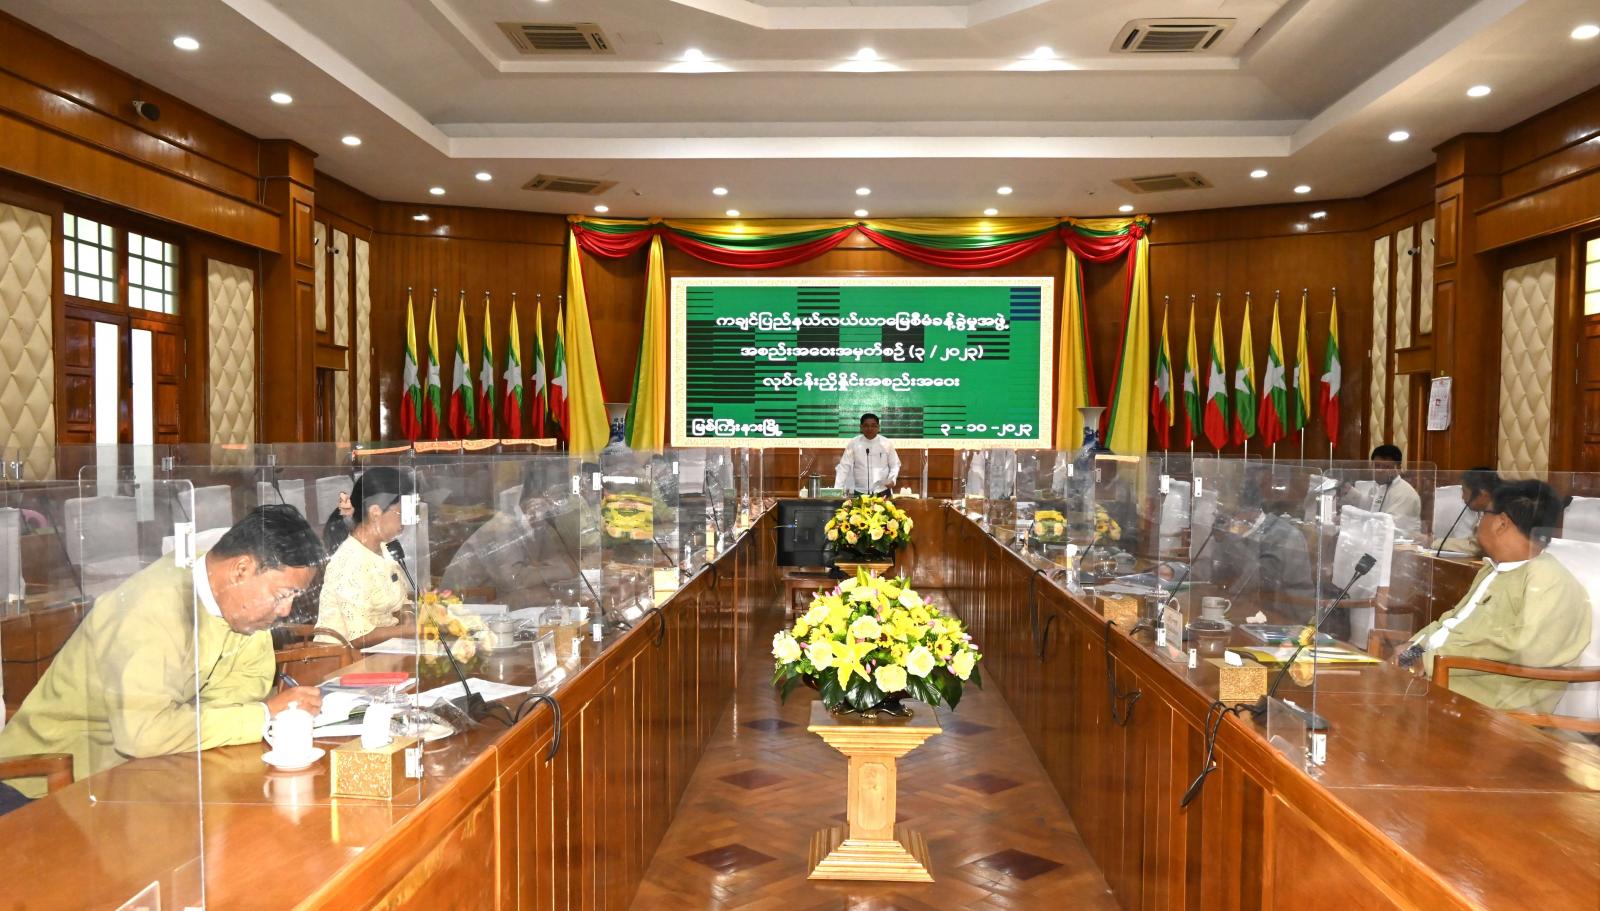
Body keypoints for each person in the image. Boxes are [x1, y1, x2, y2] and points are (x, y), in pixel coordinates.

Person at [0, 505, 325, 813]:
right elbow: (144, 734)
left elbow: (243, 693)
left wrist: (205, 720)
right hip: (44, 786)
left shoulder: (241, 608)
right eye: (282, 595)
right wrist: (261, 715)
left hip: (139, 777)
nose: (286, 610)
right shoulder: (152, 608)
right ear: (241, 570)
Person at [1401, 480, 1591, 714]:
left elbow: (1524, 649)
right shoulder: (1493, 569)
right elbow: (1452, 622)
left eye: (1483, 515)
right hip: (1437, 686)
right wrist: (1415, 648)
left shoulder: (1547, 580)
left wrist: (1430, 659)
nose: (1477, 524)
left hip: (1484, 709)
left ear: (1501, 523)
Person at [441, 458, 592, 608]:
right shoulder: (503, 526)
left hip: (501, 602)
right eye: (554, 499)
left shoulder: (539, 523)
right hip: (466, 604)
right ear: (534, 496)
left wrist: (566, 569)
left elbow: (557, 561)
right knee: (541, 595)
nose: (556, 506)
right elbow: (515, 581)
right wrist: (566, 570)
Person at [315, 468, 416, 647]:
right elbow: (359, 637)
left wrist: (407, 615)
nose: (405, 521)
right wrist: (411, 631)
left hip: (382, 651)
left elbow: (400, 601)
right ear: (375, 512)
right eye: (401, 513)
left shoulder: (384, 549)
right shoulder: (348, 561)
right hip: (342, 657)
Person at [1349, 444, 1422, 536]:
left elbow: (1392, 526)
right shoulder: (1375, 488)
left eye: (1386, 467)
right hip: (1376, 539)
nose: (1380, 470)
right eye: (1377, 466)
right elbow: (1365, 514)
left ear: (1398, 468)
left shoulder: (1405, 493)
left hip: (1402, 542)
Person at [1435, 467, 1500, 557]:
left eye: (1465, 492)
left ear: (1482, 493)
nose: (1462, 497)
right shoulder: (1487, 512)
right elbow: (1473, 542)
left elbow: (1476, 547)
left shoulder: (1499, 514)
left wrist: (1434, 542)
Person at [835, 413, 899, 496]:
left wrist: (892, 479)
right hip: (860, 492)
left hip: (882, 491)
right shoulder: (854, 443)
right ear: (861, 427)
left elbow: (895, 464)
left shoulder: (886, 443)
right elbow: (844, 467)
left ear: (878, 427)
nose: (870, 428)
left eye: (873, 426)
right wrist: (837, 490)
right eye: (866, 426)